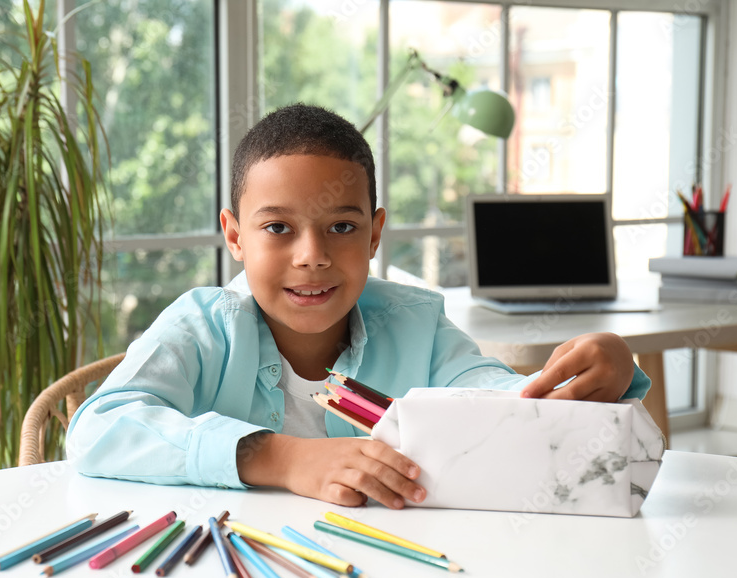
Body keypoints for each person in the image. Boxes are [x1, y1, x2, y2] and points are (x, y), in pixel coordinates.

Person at [66, 103, 650, 510]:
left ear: (374, 235)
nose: (312, 256)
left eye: (341, 226)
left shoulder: (418, 326)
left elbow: (498, 401)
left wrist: (595, 377)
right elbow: (98, 428)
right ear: (235, 235)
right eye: (278, 227)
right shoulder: (201, 327)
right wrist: (282, 459)